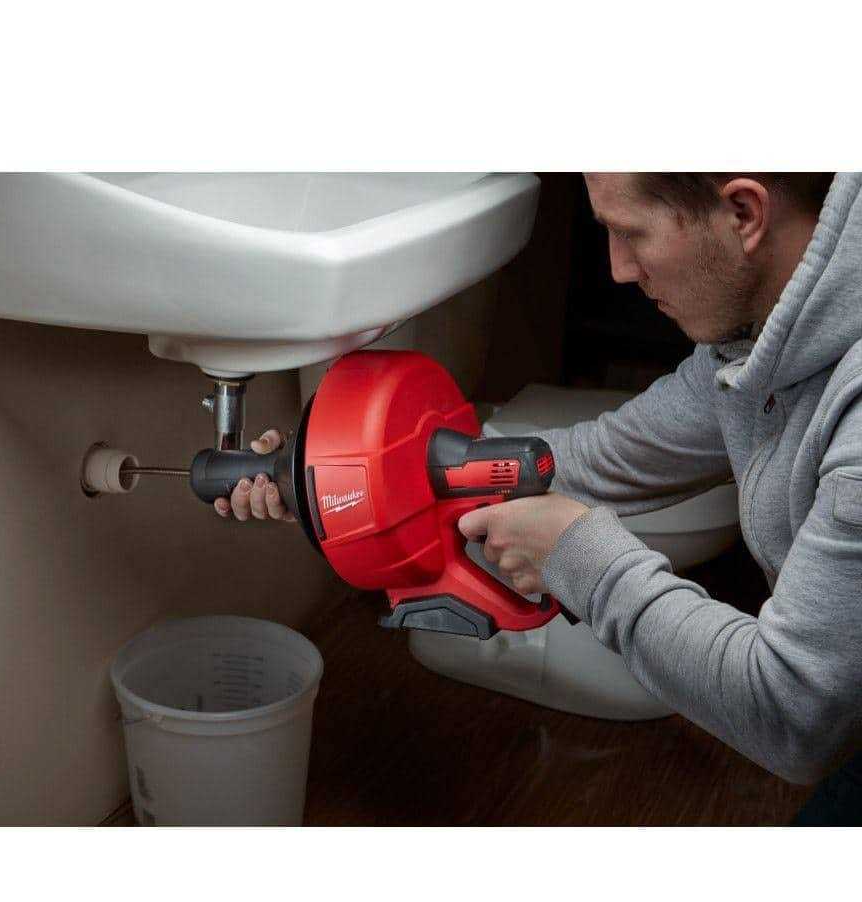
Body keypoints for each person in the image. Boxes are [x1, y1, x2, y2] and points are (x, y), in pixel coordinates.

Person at [215, 173, 862, 821]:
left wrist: (576, 554)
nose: (617, 268)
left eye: (631, 232)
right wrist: (335, 479)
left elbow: (793, 716)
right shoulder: (757, 340)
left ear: (744, 213)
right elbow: (615, 455)